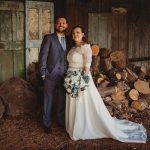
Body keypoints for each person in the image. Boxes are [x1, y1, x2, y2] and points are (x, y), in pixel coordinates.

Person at [64, 25, 147, 143]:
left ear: (83, 34)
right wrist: (70, 79)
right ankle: (73, 126)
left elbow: (87, 66)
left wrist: (79, 82)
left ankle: (81, 128)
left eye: (78, 32)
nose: (75, 35)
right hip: (71, 78)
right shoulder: (72, 48)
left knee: (81, 103)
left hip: (80, 80)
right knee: (74, 102)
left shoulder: (85, 47)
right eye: (73, 33)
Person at [39, 16, 70, 134]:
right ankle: (46, 123)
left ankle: (60, 120)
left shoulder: (69, 39)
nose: (61, 24)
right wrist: (43, 72)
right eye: (59, 23)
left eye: (63, 23)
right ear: (55, 25)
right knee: (48, 99)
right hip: (50, 75)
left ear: (66, 25)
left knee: (62, 99)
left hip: (65, 75)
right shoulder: (49, 38)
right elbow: (43, 56)